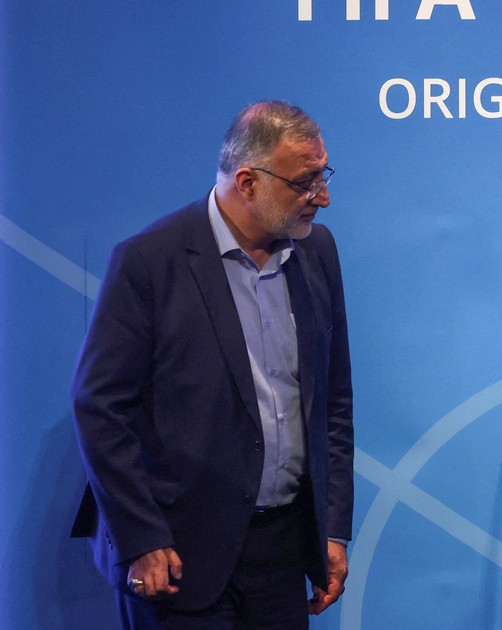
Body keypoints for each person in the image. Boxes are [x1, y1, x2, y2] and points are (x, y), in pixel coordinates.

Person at [71, 100, 354, 628]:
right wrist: (142, 538)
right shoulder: (148, 261)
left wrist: (332, 529)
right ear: (247, 182)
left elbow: (332, 401)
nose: (323, 197)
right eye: (305, 182)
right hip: (176, 555)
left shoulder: (317, 251)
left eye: (323, 176)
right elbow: (99, 408)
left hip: (282, 554)